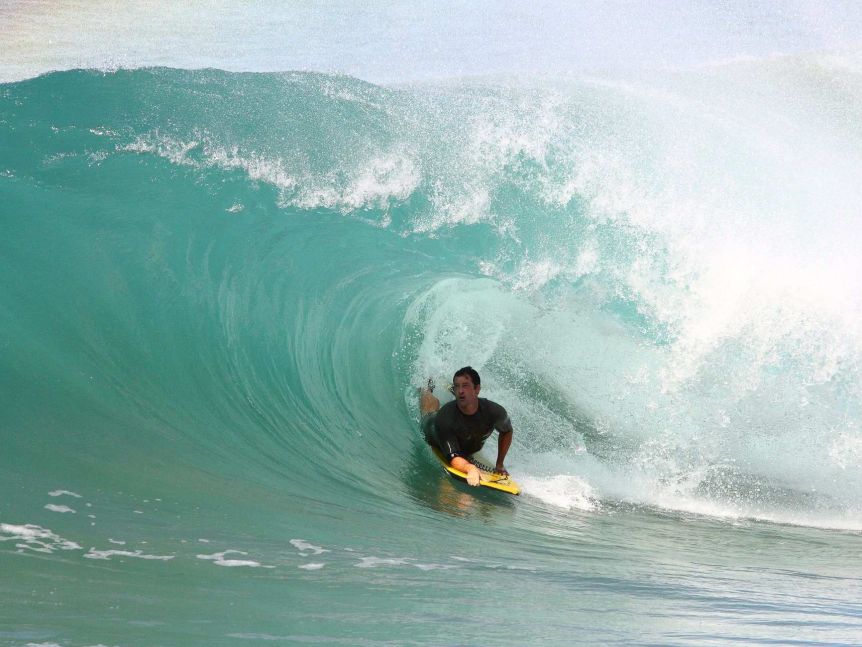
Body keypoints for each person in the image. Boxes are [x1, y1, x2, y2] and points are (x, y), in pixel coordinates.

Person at [419, 366, 513, 486]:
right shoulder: (445, 417)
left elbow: (507, 431)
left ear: (477, 389)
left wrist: (500, 464)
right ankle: (426, 389)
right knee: (430, 411)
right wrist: (470, 468)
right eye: (457, 386)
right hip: (432, 430)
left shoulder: (494, 411)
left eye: (465, 386)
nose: (460, 390)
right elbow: (453, 457)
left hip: (465, 440)